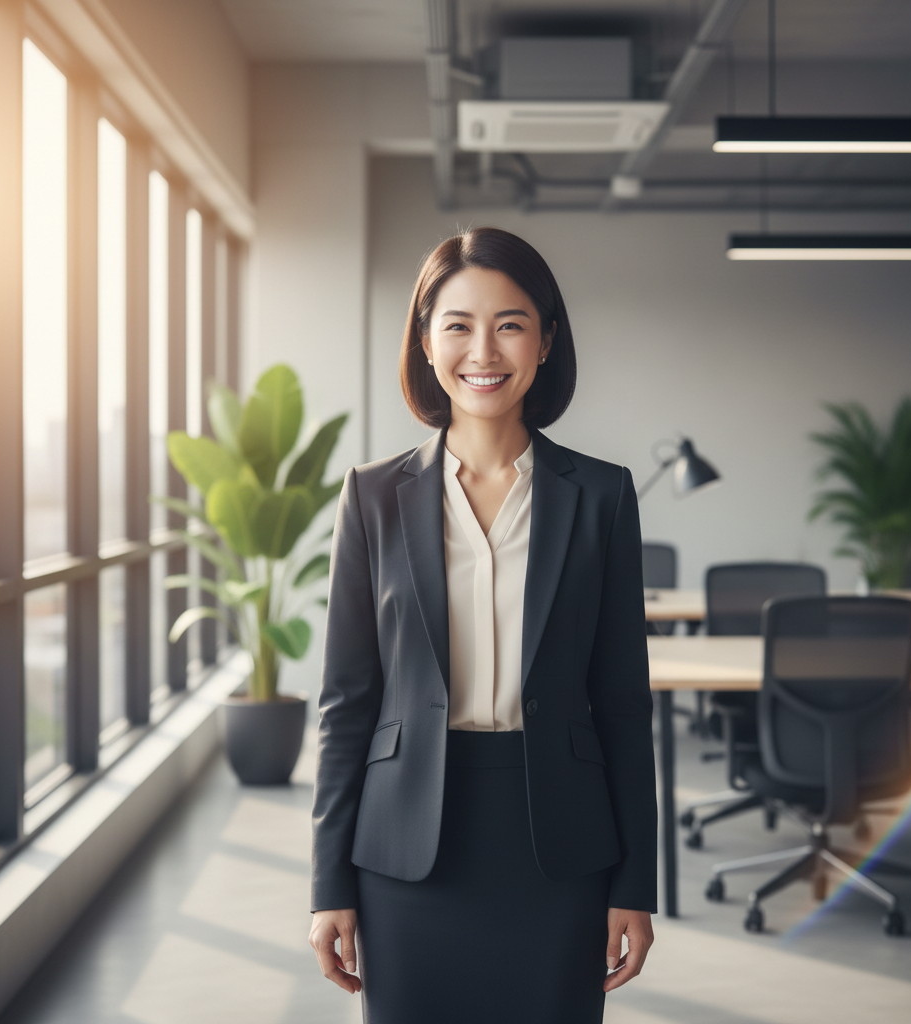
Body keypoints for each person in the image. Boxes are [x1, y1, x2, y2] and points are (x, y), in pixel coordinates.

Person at [309, 226, 657, 1023]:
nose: (483, 350)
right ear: (426, 342)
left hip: (560, 845)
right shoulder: (372, 496)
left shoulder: (601, 497)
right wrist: (330, 886)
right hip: (406, 849)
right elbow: (346, 706)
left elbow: (625, 707)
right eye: (458, 324)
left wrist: (636, 885)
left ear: (545, 342)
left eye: (510, 323)